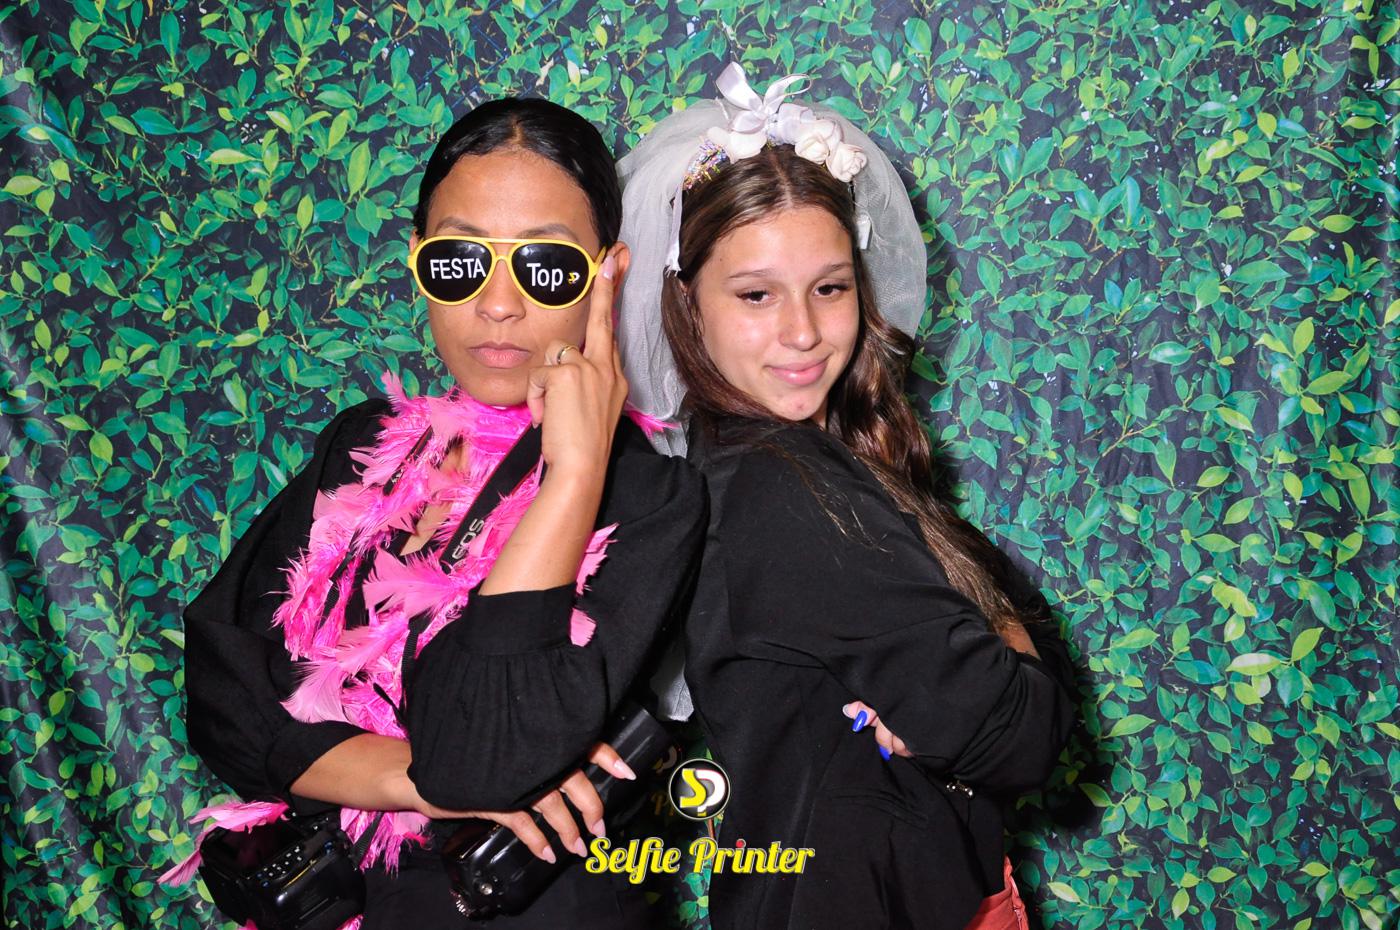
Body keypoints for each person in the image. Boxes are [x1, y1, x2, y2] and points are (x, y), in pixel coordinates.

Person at [161, 97, 706, 929]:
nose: (498, 303)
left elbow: (481, 752)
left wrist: (573, 476)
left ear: (609, 274)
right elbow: (224, 697)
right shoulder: (362, 446)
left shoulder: (647, 500)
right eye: (460, 261)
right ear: (418, 259)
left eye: (545, 265)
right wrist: (404, 779)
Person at [615, 64, 1077, 930]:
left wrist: (1001, 651)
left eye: (829, 288)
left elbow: (1016, 682)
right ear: (688, 305)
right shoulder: (780, 486)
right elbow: (1021, 736)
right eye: (756, 295)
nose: (802, 331)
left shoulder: (807, 461)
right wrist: (1003, 650)